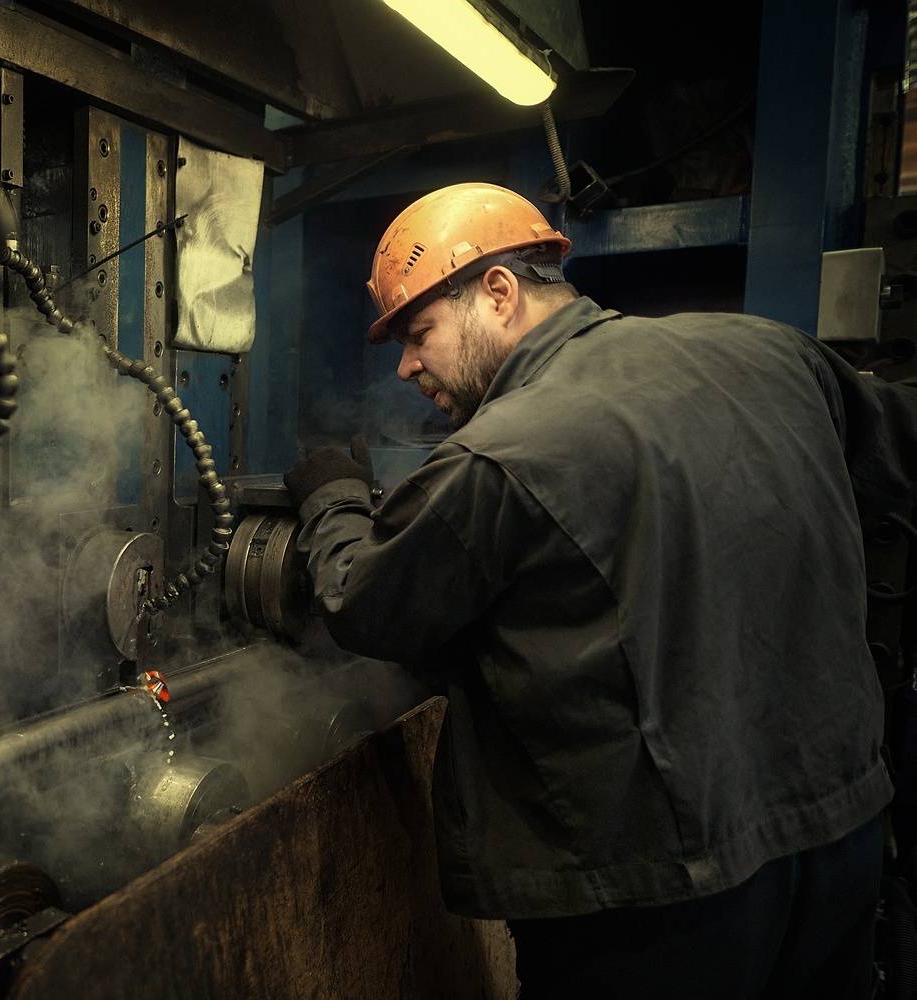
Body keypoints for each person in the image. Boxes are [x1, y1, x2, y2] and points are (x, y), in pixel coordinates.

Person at [282, 182, 917, 998]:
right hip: (841, 844)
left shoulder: (499, 455)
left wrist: (333, 497)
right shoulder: (774, 354)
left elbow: (364, 605)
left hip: (660, 903)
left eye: (418, 334)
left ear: (499, 292)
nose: (406, 366)